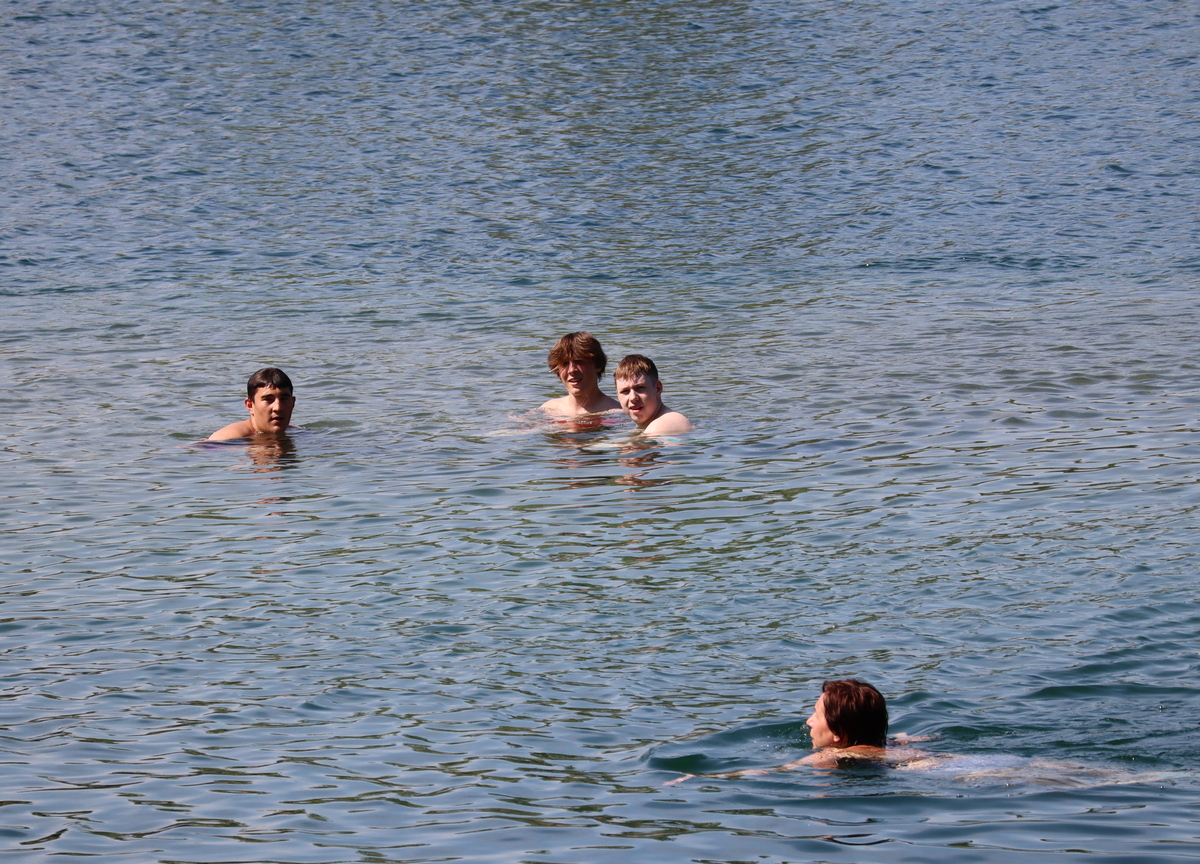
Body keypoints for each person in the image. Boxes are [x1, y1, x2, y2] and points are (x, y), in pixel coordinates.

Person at [664, 679, 929, 785]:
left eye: (817, 715)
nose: (809, 721)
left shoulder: (828, 756)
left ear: (838, 735)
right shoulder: (891, 745)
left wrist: (702, 778)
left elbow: (766, 772)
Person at [541, 332, 622, 416]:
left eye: (579, 361)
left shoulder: (617, 413)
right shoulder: (548, 411)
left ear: (598, 365)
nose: (571, 370)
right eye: (565, 363)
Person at [208, 367, 299, 441]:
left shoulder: (298, 432)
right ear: (250, 405)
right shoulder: (226, 439)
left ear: (293, 403)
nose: (278, 407)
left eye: (284, 399)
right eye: (268, 400)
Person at [613, 354, 693, 435]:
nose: (633, 397)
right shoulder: (649, 426)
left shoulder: (668, 422)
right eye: (625, 391)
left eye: (640, 388)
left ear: (658, 389)